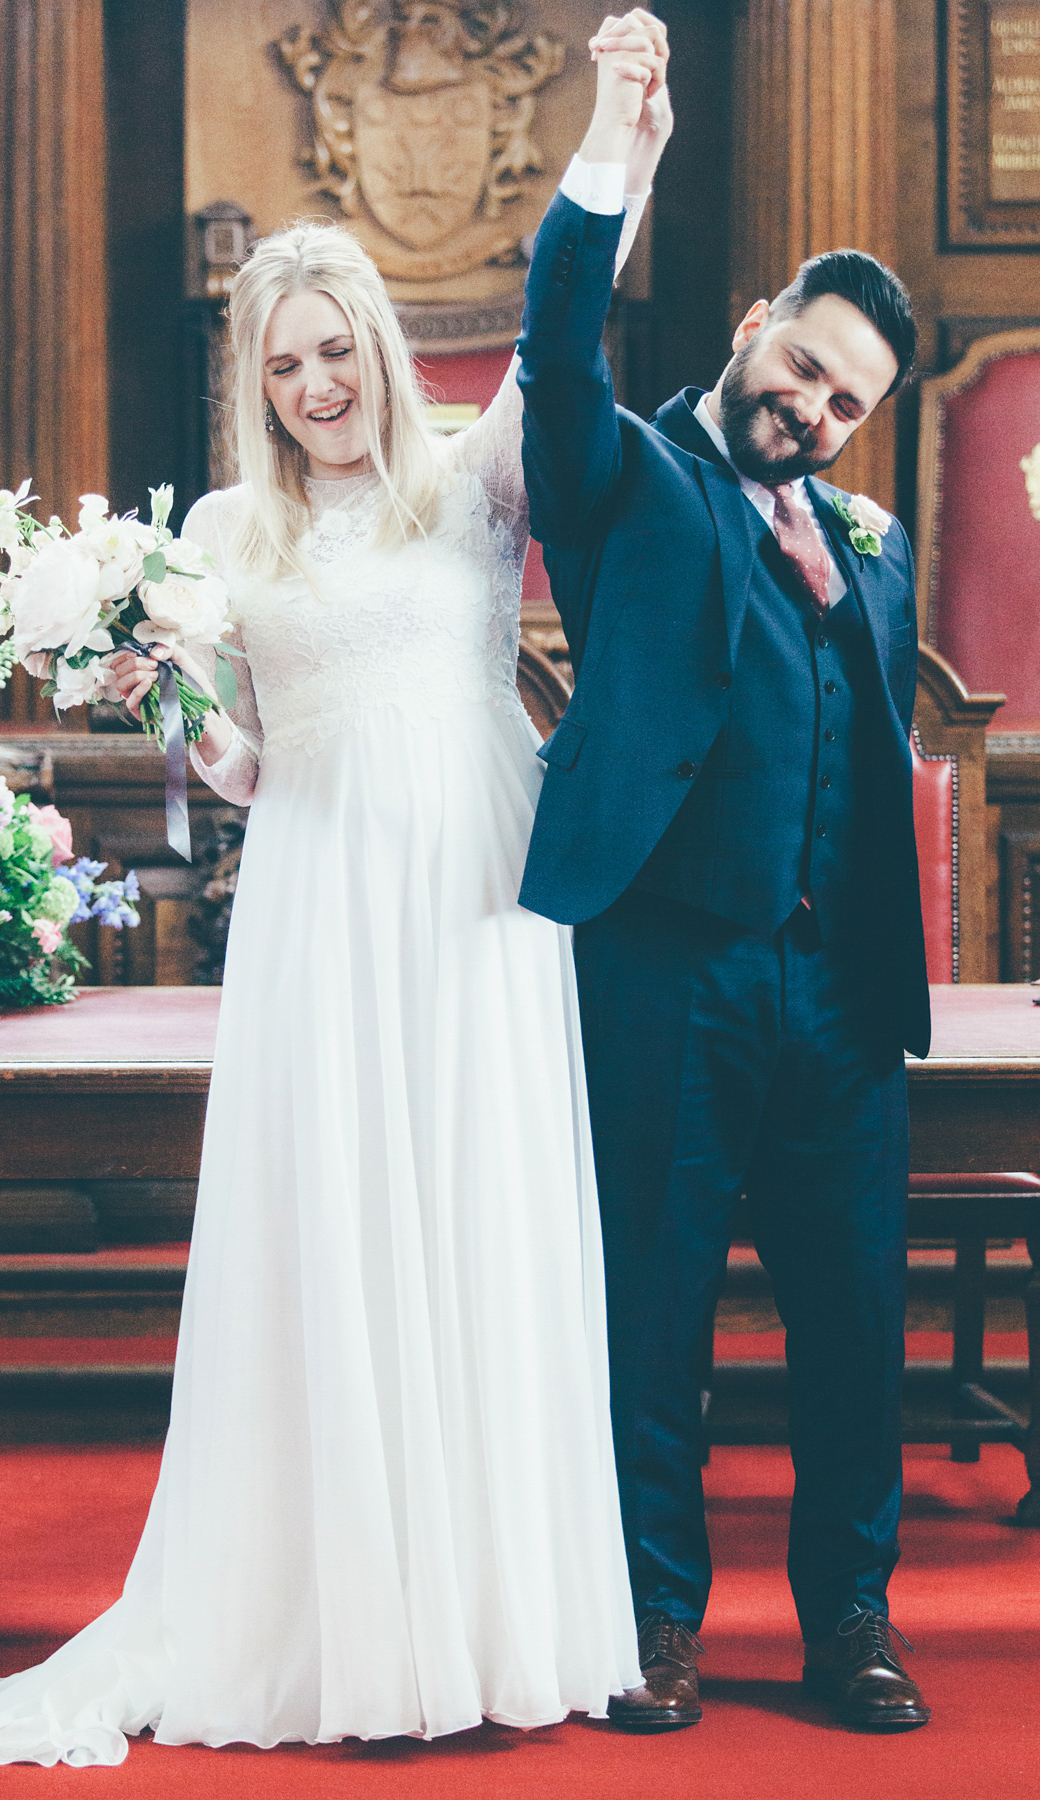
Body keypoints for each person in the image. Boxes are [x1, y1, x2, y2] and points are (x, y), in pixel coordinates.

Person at [0, 17, 673, 1766]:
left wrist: (620, 139)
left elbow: (574, 315)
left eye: (337, 351)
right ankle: (343, 1627)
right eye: (284, 363)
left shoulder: (475, 474)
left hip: (477, 897)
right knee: (336, 1231)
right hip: (326, 899)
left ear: (385, 352)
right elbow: (250, 769)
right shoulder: (227, 539)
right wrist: (163, 703)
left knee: (473, 1216)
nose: (316, 384)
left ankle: (489, 1621)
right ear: (252, 381)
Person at [518, 7, 931, 1734]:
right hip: (667, 975)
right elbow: (559, 347)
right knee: (653, 1323)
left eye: (848, 400)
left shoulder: (870, 546)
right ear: (754, 323)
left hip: (837, 995)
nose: (816, 408)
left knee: (852, 1336)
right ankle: (655, 1621)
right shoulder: (631, 478)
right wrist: (618, 143)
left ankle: (850, 1621)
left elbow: (863, 744)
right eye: (804, 366)